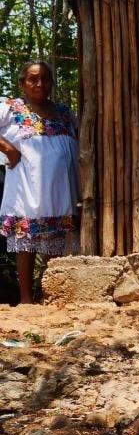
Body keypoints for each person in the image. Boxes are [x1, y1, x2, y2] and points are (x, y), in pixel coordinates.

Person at [0, 60, 81, 304]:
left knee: (57, 243)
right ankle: (26, 300)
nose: (40, 84)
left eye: (45, 79)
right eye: (33, 79)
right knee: (27, 242)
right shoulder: (11, 109)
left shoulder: (64, 113)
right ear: (22, 83)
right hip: (27, 188)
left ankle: (52, 298)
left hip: (62, 191)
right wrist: (8, 149)